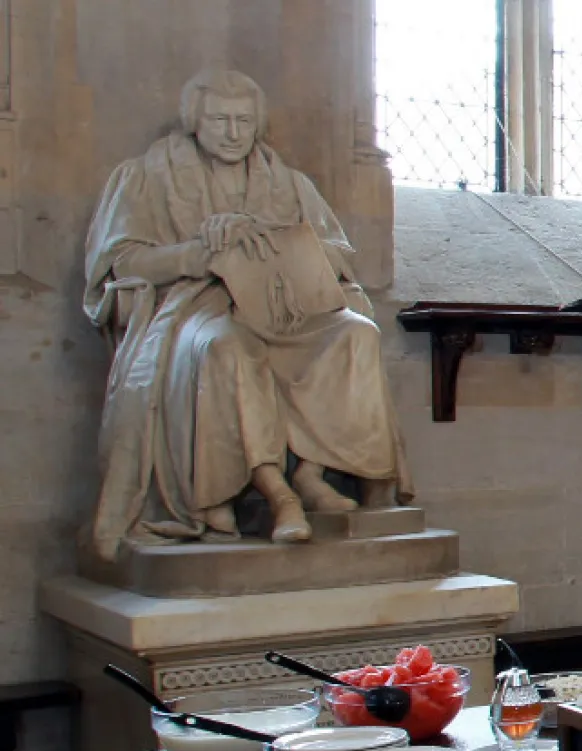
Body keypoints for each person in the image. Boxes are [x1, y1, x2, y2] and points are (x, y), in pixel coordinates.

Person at [83, 67, 413, 559]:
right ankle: (276, 495)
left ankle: (311, 474)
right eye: (220, 119)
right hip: (199, 305)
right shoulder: (147, 176)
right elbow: (120, 263)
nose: (233, 132)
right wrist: (197, 251)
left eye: (243, 120)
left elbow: (341, 255)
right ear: (195, 121)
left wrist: (278, 236)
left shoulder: (290, 184)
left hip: (288, 305)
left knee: (356, 334)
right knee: (227, 346)